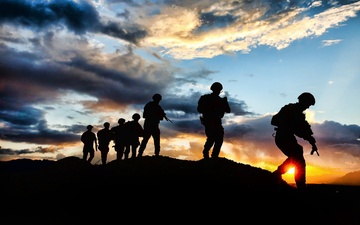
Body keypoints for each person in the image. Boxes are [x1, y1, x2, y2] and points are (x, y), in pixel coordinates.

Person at [271, 92, 319, 190]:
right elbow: (274, 121)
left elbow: (305, 131)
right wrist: (289, 125)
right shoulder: (289, 109)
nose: (308, 107)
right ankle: (298, 184)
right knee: (297, 156)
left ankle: (279, 174)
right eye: (308, 104)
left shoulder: (300, 116)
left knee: (297, 155)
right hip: (282, 136)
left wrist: (312, 142)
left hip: (288, 137)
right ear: (303, 101)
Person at [197, 82, 231, 159]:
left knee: (217, 138)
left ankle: (212, 155)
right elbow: (199, 109)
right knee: (213, 138)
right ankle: (208, 153)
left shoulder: (219, 100)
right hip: (210, 121)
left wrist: (225, 102)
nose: (218, 91)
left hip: (214, 121)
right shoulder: (206, 98)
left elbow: (228, 110)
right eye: (218, 90)